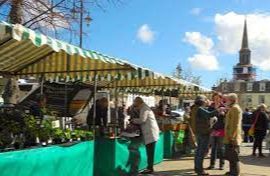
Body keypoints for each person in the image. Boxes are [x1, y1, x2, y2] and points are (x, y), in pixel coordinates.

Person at [131, 97, 160, 174]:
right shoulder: (144, 108)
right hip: (150, 132)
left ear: (138, 102)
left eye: (135, 102)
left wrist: (133, 120)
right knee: (150, 151)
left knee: (150, 151)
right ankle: (149, 167)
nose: (134, 104)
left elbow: (142, 120)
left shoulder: (144, 108)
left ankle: (150, 168)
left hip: (151, 133)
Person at [194, 95, 218, 176]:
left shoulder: (196, 108)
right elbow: (209, 115)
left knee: (198, 151)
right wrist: (218, 110)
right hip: (203, 132)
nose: (207, 101)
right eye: (205, 100)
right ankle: (200, 171)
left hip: (199, 132)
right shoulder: (200, 109)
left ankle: (197, 168)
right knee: (201, 152)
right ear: (202, 101)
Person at [224, 93, 242, 176]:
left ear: (231, 100)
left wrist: (232, 136)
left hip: (232, 137)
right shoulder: (232, 108)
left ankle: (235, 173)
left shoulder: (235, 108)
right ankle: (232, 171)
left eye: (227, 99)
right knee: (231, 156)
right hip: (230, 136)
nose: (226, 101)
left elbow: (235, 124)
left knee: (234, 156)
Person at [207, 106, 226, 170]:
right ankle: (212, 165)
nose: (220, 110)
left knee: (221, 149)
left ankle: (221, 165)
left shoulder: (225, 115)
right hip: (214, 132)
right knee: (213, 149)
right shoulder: (215, 114)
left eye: (222, 109)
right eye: (219, 109)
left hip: (221, 132)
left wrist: (224, 115)